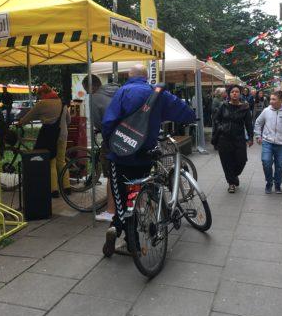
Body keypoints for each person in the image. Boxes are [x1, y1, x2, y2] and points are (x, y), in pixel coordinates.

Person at [101, 64, 195, 257]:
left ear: (129, 75)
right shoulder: (158, 93)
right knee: (135, 196)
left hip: (120, 156)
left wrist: (112, 142)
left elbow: (108, 121)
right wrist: (193, 118)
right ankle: (125, 234)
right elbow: (183, 111)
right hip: (144, 157)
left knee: (121, 199)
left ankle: (124, 234)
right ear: (146, 77)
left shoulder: (123, 92)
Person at [19, 84, 71, 197]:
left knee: (51, 162)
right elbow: (68, 120)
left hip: (49, 136)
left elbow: (29, 116)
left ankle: (54, 190)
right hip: (62, 135)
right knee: (61, 161)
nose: (39, 97)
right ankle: (67, 188)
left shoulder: (42, 104)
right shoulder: (62, 103)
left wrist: (20, 123)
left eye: (40, 95)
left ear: (43, 93)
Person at [82, 75, 120, 222]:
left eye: (86, 89)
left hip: (112, 138)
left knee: (111, 174)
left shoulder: (94, 97)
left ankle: (111, 210)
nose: (87, 93)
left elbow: (98, 121)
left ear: (91, 87)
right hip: (129, 136)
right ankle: (138, 204)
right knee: (128, 172)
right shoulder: (116, 90)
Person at [212, 84, 254, 193]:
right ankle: (231, 183)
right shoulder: (223, 106)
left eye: (237, 92)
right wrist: (221, 127)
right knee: (226, 161)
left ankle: (233, 176)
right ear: (229, 94)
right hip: (224, 138)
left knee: (242, 160)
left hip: (239, 138)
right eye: (232, 92)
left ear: (240, 94)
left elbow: (249, 124)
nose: (234, 93)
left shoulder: (245, 107)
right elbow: (216, 120)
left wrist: (251, 137)